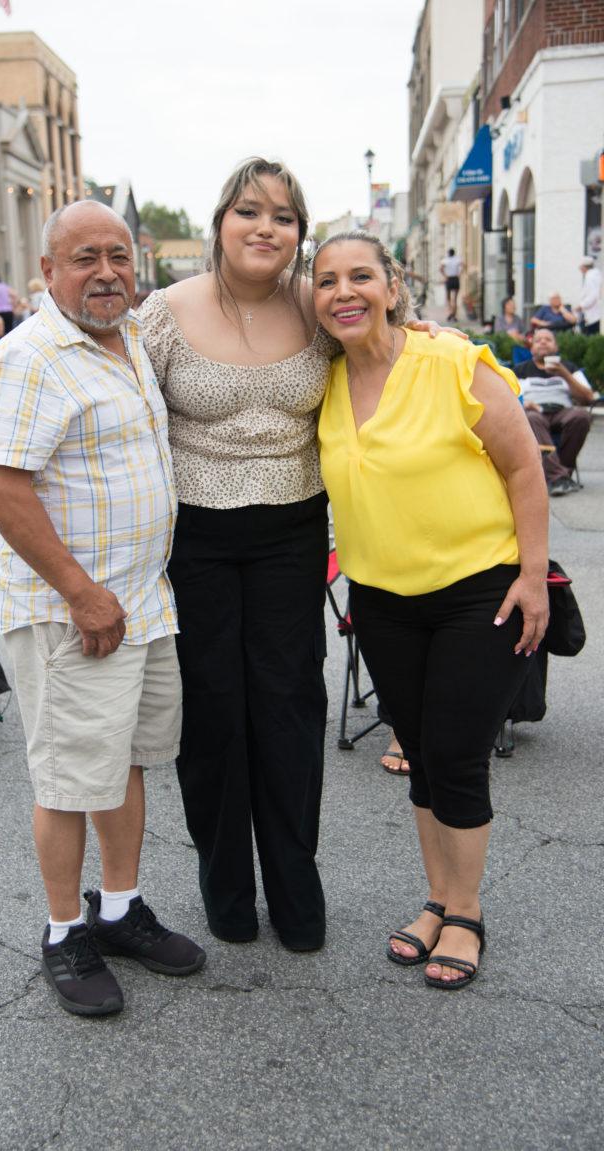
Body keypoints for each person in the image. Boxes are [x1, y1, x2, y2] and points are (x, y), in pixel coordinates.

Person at [139, 157, 446, 951]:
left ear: (298, 237)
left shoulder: (316, 311)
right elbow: (123, 415)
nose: (264, 227)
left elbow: (382, 341)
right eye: (249, 211)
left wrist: (424, 335)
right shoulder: (163, 314)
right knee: (211, 710)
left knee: (288, 705)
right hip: (194, 537)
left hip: (291, 531)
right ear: (219, 223)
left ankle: (294, 881)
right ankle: (225, 885)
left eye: (283, 216)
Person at [0, 199, 205, 1018]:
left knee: (126, 760)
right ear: (47, 272)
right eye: (84, 258)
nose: (106, 272)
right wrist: (81, 591)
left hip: (139, 601)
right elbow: (1, 489)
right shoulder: (31, 356)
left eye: (118, 255)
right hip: (72, 609)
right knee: (71, 776)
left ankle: (119, 908)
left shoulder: (130, 337)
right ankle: (64, 929)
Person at [314, 230, 549, 989]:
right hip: (381, 597)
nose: (343, 292)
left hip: (478, 591)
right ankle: (438, 898)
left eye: (359, 276)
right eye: (326, 281)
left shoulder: (450, 360)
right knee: (416, 749)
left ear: (391, 285)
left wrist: (535, 577)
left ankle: (468, 912)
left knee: (455, 753)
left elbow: (523, 468)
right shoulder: (321, 380)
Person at [513, 328, 595, 496]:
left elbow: (588, 398)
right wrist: (525, 404)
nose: (543, 342)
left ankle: (557, 476)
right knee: (532, 419)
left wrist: (564, 373)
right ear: (531, 348)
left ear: (556, 347)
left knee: (581, 416)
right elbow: (510, 398)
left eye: (548, 339)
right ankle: (559, 477)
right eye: (538, 340)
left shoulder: (569, 368)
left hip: (562, 412)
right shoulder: (520, 370)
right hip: (534, 411)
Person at [577, 256, 601, 336]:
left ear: (584, 267)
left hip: (592, 314)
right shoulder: (596, 275)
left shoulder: (590, 277)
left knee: (589, 335)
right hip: (595, 313)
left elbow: (593, 295)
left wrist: (581, 305)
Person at [439, 249, 462, 321]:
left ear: (448, 253)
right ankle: (454, 315)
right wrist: (459, 274)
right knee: (455, 299)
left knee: (448, 298)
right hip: (455, 278)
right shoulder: (457, 259)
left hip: (449, 279)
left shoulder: (445, 260)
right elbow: (463, 265)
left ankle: (450, 313)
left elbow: (441, 268)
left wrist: (445, 275)